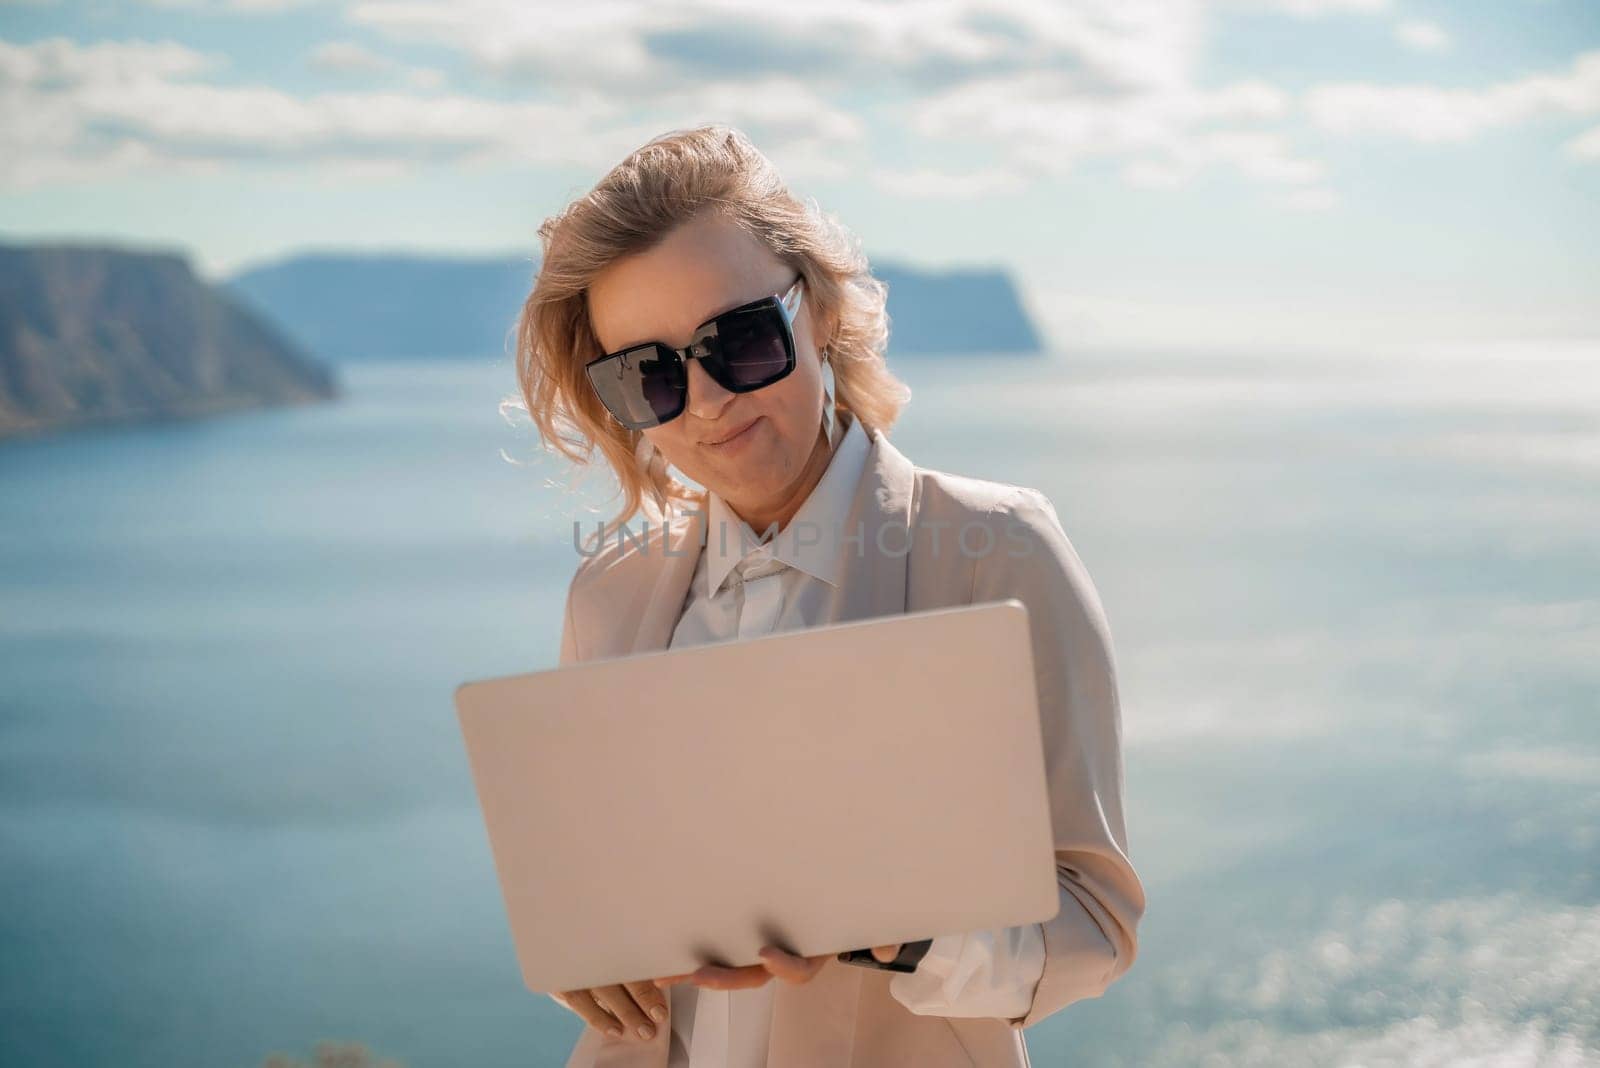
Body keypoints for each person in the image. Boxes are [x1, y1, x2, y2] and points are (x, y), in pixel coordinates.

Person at [513, 124, 1146, 1068]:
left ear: (820, 315)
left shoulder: (996, 551)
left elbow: (1097, 925)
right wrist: (584, 955)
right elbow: (601, 901)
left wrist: (902, 936)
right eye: (648, 374)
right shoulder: (609, 592)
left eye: (740, 340)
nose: (708, 400)